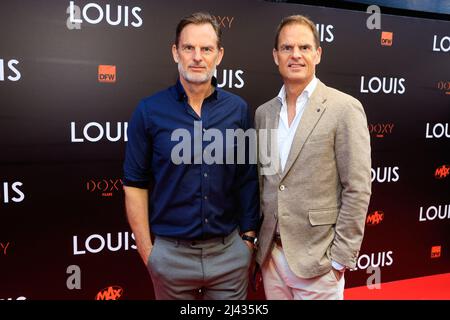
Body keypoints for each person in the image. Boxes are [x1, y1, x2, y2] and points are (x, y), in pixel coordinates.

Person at [123, 12, 259, 300]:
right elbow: (134, 185)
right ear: (176, 52)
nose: (197, 57)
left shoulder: (238, 110)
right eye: (189, 48)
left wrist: (247, 240)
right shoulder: (148, 111)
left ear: (219, 55)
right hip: (170, 257)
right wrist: (149, 252)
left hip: (229, 255)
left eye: (206, 49)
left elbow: (247, 178)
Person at [255, 15, 372, 300]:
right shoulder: (264, 113)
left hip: (319, 264)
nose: (296, 55)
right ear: (275, 56)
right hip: (272, 258)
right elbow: (267, 182)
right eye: (287, 48)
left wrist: (339, 260)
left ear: (317, 54)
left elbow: (357, 187)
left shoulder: (344, 108)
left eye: (305, 47)